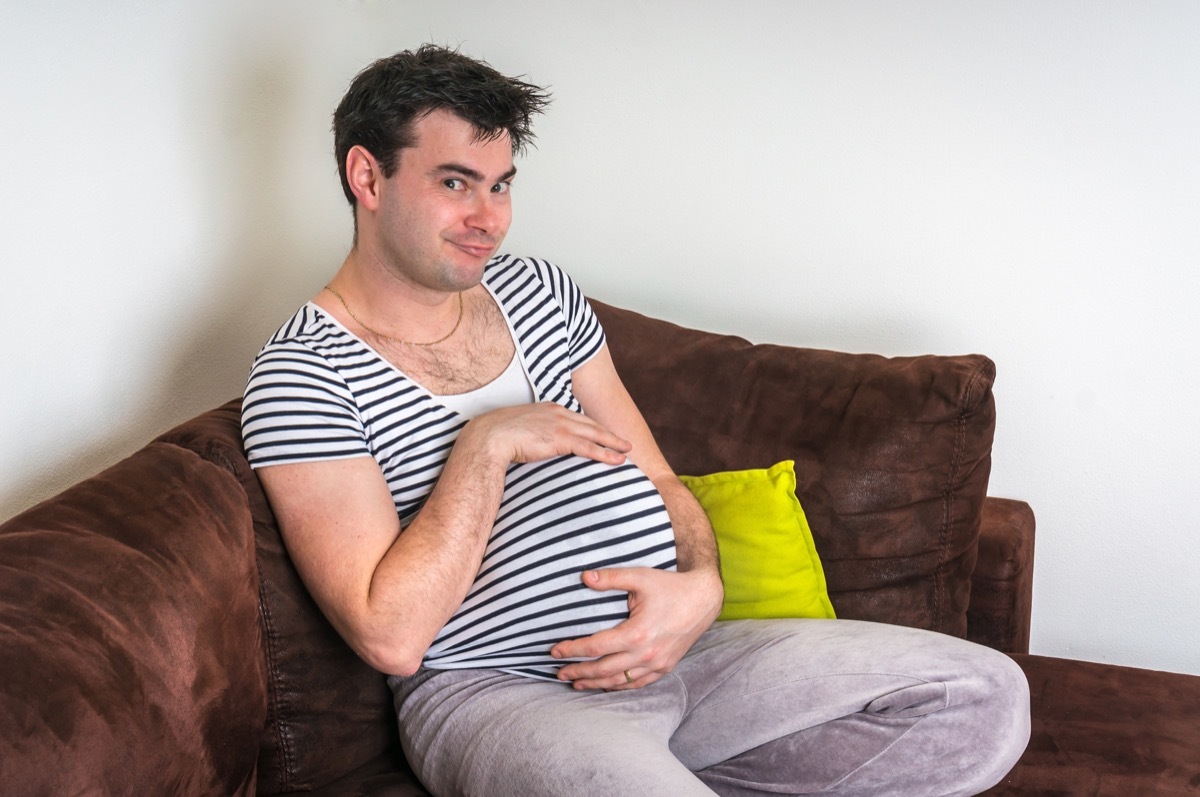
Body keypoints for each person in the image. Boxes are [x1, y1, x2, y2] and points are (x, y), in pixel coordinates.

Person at [241, 44, 1030, 796]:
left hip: (682, 656)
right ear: (367, 177)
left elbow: (658, 477)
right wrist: (485, 445)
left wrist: (701, 587)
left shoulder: (539, 292)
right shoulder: (304, 374)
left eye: (502, 183)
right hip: (502, 692)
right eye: (455, 183)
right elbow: (391, 634)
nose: (490, 217)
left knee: (984, 698)